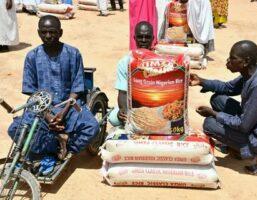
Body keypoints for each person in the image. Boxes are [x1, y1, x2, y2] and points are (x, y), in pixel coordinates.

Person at [8, 15, 99, 164]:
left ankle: (67, 145)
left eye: (52, 32)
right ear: (39, 33)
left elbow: (77, 86)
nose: (48, 36)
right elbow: (32, 92)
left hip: (69, 107)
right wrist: (48, 115)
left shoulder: (73, 53)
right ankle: (55, 145)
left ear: (60, 32)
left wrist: (63, 112)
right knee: (15, 129)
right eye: (44, 32)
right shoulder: (32, 56)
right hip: (41, 109)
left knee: (92, 127)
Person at [189, 40, 257, 177]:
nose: (228, 61)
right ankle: (235, 145)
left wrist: (214, 113)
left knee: (210, 124)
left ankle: (253, 162)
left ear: (246, 61)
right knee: (218, 99)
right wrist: (202, 81)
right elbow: (228, 88)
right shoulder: (251, 73)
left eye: (233, 58)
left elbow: (243, 125)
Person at [108, 21, 154, 126]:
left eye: (147, 37)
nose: (143, 40)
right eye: (140, 37)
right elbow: (123, 92)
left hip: (153, 106)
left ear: (152, 38)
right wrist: (123, 111)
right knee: (114, 118)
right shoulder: (125, 62)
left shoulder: (160, 62)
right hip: (132, 106)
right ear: (134, 38)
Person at [160, 0, 215, 67]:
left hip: (198, 6)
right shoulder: (172, 5)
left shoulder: (199, 5)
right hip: (182, 35)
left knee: (193, 37)